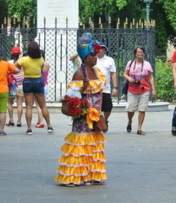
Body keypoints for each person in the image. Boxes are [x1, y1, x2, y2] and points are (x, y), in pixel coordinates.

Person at [54, 33, 107, 186]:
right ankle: (74, 176)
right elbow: (71, 96)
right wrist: (82, 89)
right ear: (85, 57)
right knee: (80, 143)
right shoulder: (79, 73)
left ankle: (91, 174)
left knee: (92, 143)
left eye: (95, 55)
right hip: (83, 116)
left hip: (95, 115)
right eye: (92, 55)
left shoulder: (98, 72)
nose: (95, 57)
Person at [15, 42, 54, 135]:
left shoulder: (24, 59)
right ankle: (49, 126)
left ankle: (29, 129)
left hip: (27, 81)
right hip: (38, 81)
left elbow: (15, 68)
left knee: (28, 107)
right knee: (43, 105)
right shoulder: (40, 59)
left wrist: (20, 60)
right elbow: (42, 69)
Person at [123, 47, 156, 135]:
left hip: (144, 89)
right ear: (135, 54)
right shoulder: (130, 63)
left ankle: (139, 128)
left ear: (144, 53)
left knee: (142, 109)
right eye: (138, 52)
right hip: (132, 89)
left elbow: (151, 77)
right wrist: (129, 78)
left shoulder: (147, 64)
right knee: (131, 108)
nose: (140, 54)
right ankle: (130, 121)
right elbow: (124, 74)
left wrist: (153, 89)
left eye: (141, 52)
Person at [96, 42, 118, 132]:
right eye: (98, 48)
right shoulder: (92, 59)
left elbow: (113, 74)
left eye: (102, 48)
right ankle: (97, 123)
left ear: (105, 50)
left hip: (106, 88)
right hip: (94, 88)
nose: (99, 50)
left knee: (107, 107)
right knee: (96, 107)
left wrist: (115, 87)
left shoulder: (110, 60)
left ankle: (105, 120)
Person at [6, 47, 25, 127]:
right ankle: (19, 121)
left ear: (11, 53)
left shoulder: (9, 62)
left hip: (12, 85)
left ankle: (11, 120)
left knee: (10, 103)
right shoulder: (23, 62)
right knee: (19, 104)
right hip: (21, 84)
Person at [35, 50, 50, 128]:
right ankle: (39, 120)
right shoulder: (46, 64)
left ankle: (41, 121)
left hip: (39, 84)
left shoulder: (38, 64)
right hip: (46, 85)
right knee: (43, 104)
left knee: (38, 105)